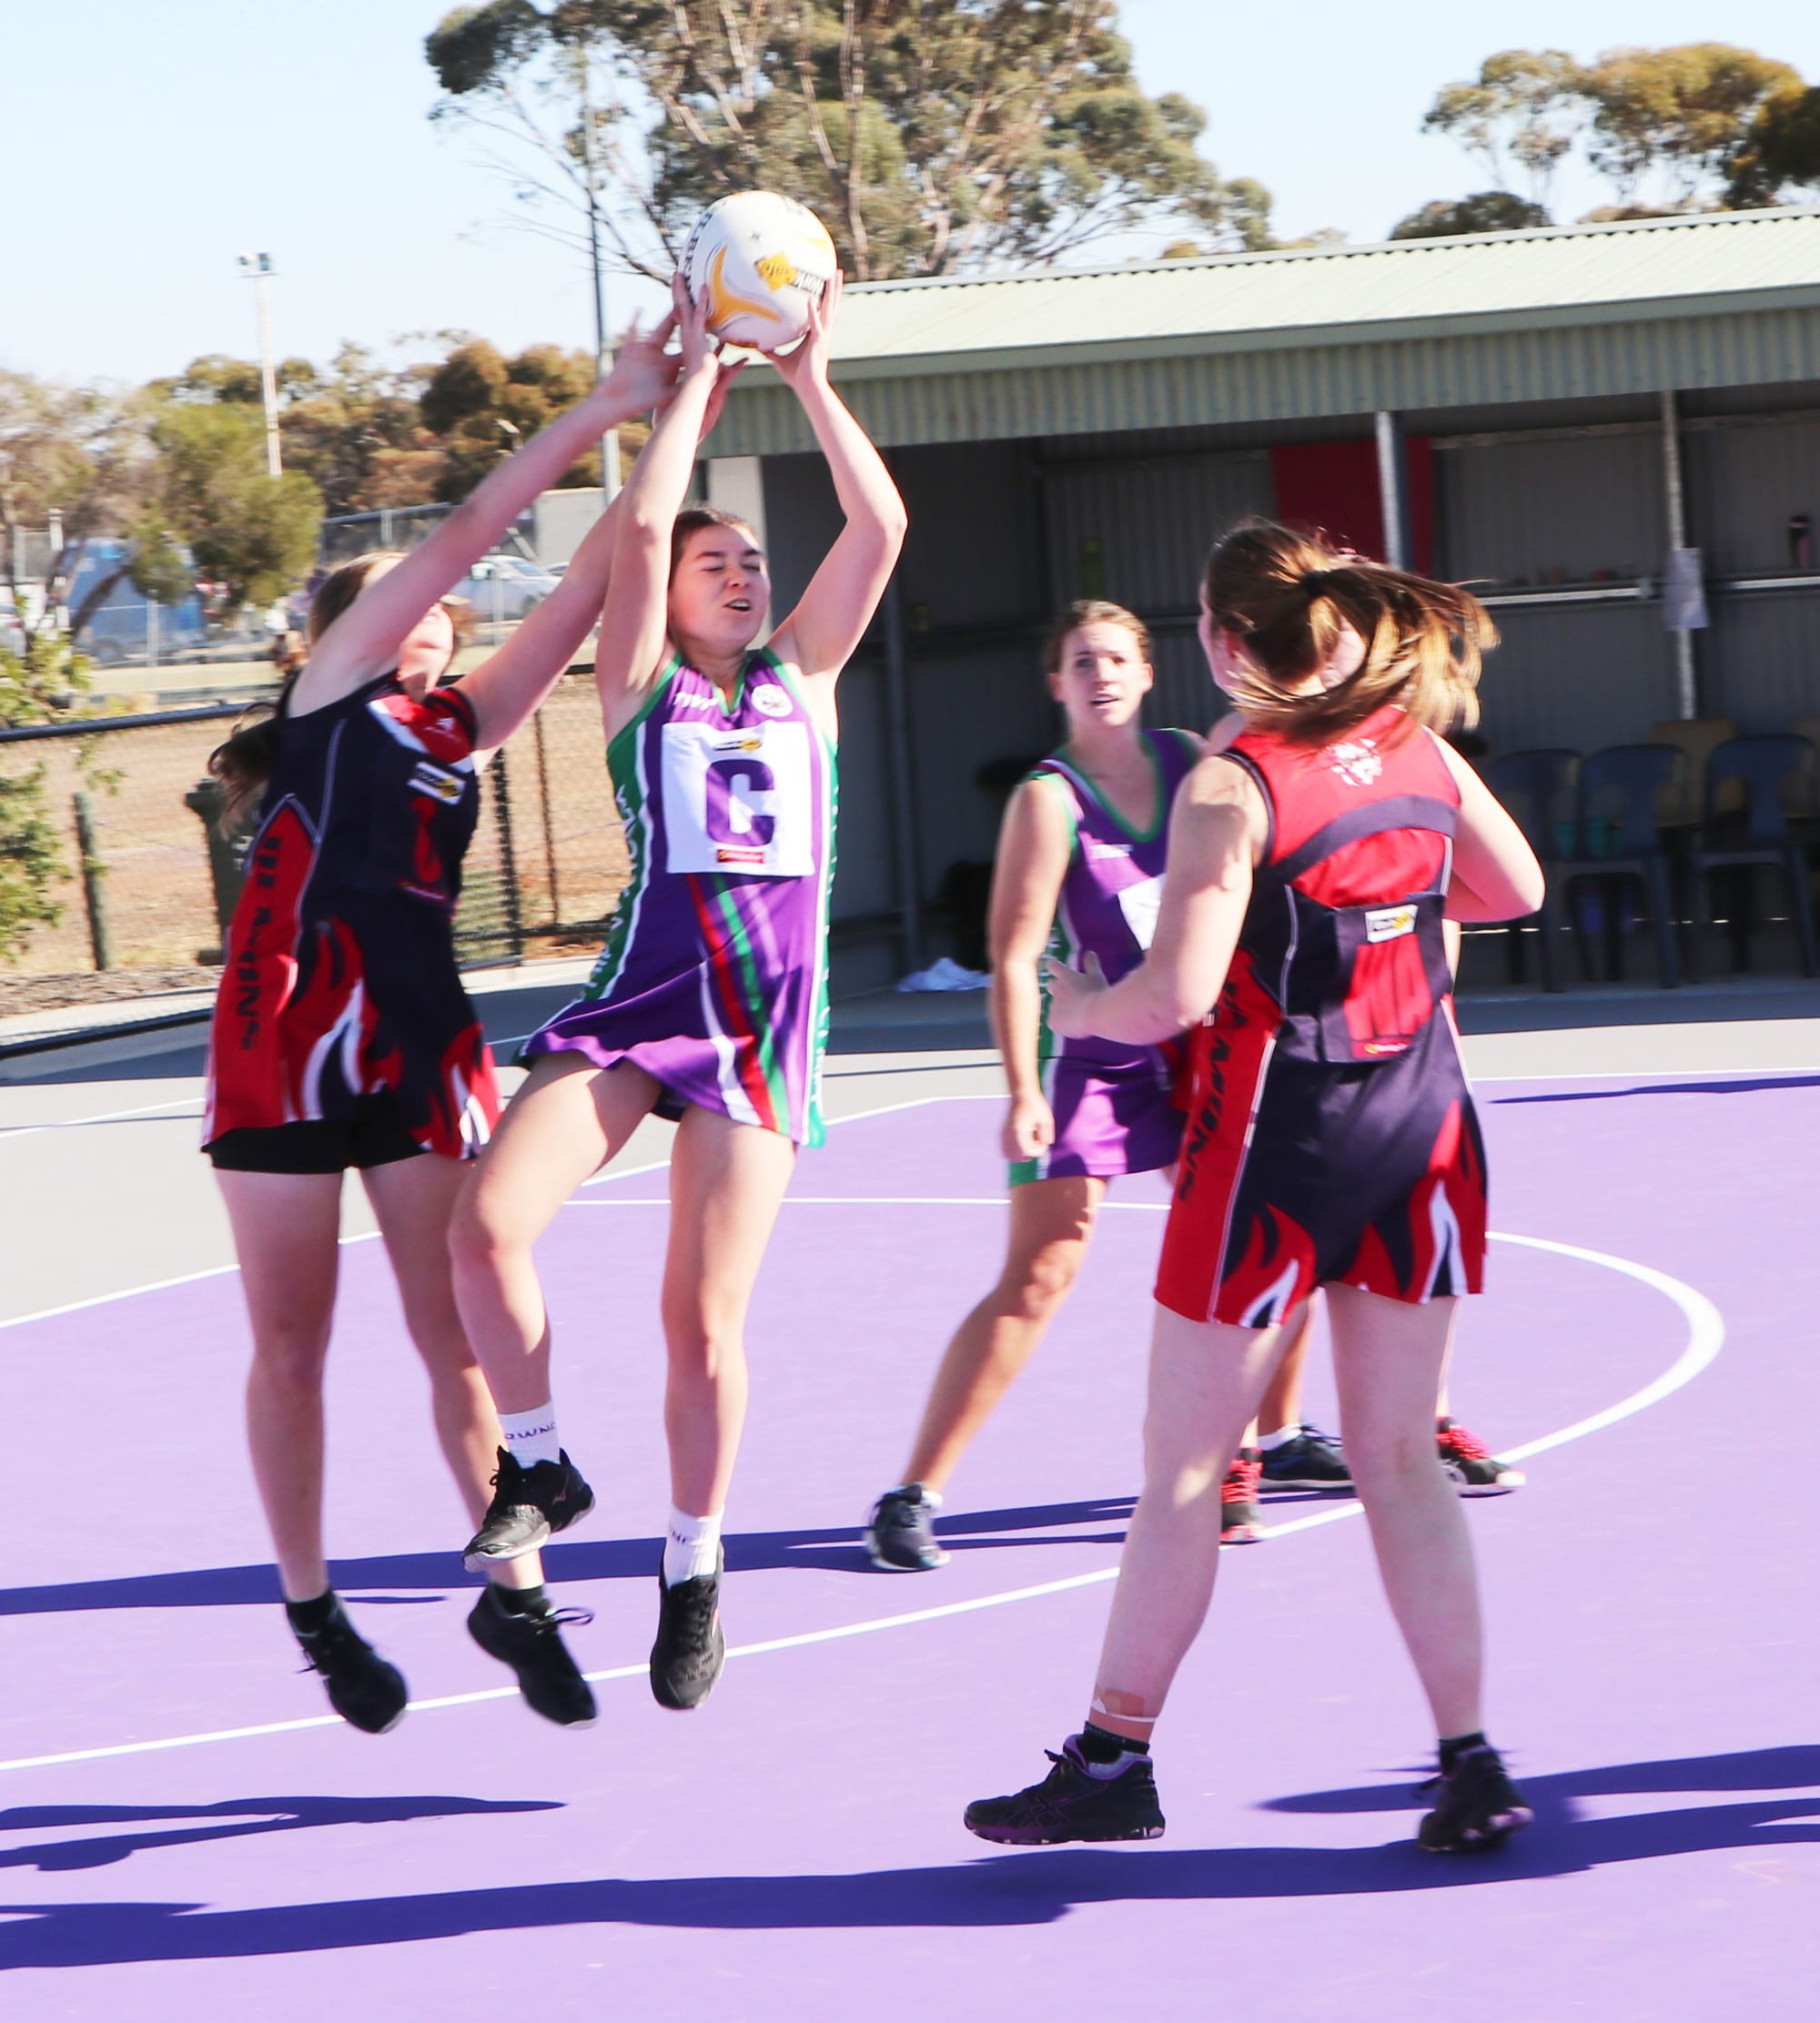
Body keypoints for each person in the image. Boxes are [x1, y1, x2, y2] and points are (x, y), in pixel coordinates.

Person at [964, 517, 1546, 1856]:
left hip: (1275, 1148)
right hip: (1425, 1128)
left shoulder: (1234, 783)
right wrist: (1385, 916)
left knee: (1182, 1468)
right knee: (1402, 1459)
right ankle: (1469, 1763)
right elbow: (1510, 887)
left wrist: (1079, 1007)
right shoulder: (1413, 744)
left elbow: (1170, 999)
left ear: (1224, 646)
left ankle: (1113, 1765)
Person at [203, 322, 691, 1735]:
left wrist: (684, 403)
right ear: (353, 622)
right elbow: (480, 524)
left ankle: (517, 1586)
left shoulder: (459, 722)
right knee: (292, 1341)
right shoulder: (335, 688)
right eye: (414, 597)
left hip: (415, 1038)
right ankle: (313, 1605)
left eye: (450, 609)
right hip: (283, 1035)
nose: (443, 608)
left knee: (455, 1335)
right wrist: (598, 401)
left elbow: (613, 569)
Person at [449, 270, 906, 1713]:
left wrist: (811, 375)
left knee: (701, 1322)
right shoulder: (639, 686)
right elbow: (637, 528)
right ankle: (539, 1460)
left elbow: (882, 526)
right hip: (640, 1006)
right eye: (720, 565)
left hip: (758, 1036)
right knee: (485, 1225)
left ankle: (693, 1570)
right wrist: (702, 373)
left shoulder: (806, 677)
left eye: (752, 563)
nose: (743, 574)